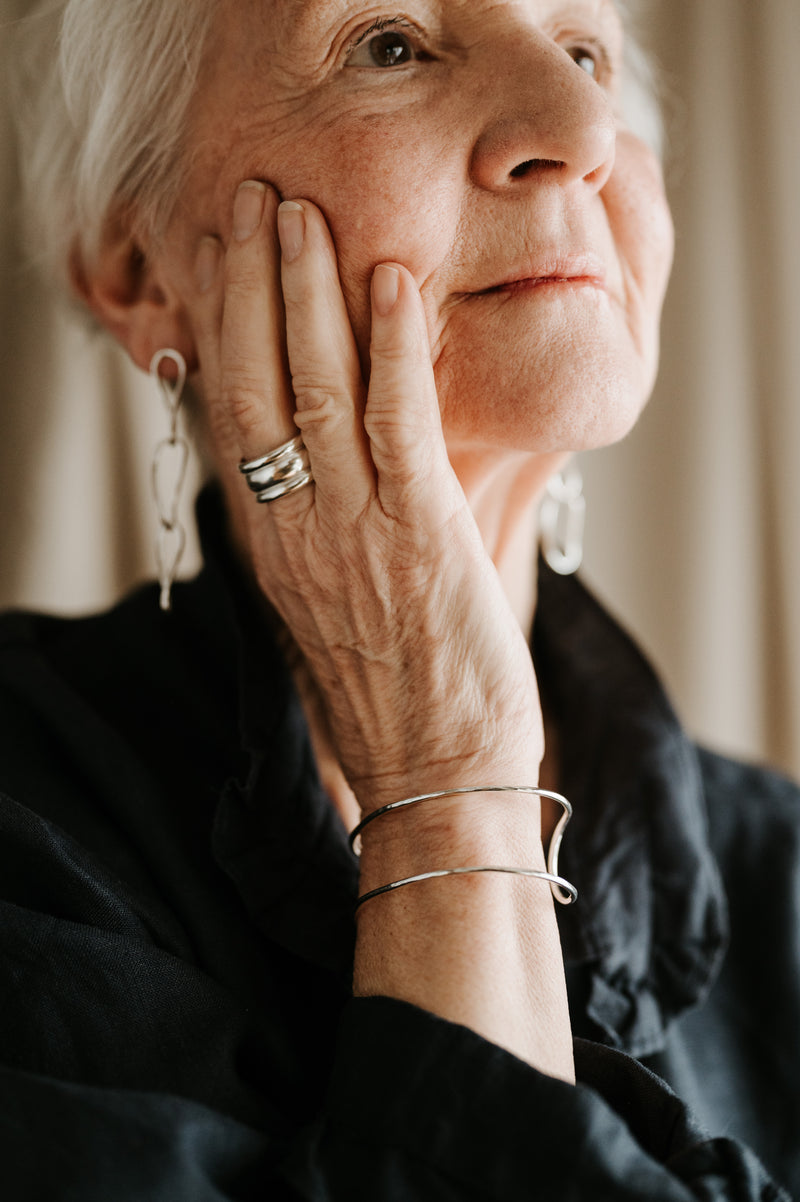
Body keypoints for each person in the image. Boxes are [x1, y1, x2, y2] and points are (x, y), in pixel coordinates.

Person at [2, 0, 798, 1198]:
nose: (580, 124)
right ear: (137, 266)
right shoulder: (26, 812)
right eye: (389, 43)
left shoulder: (781, 867)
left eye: (585, 51)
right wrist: (444, 779)